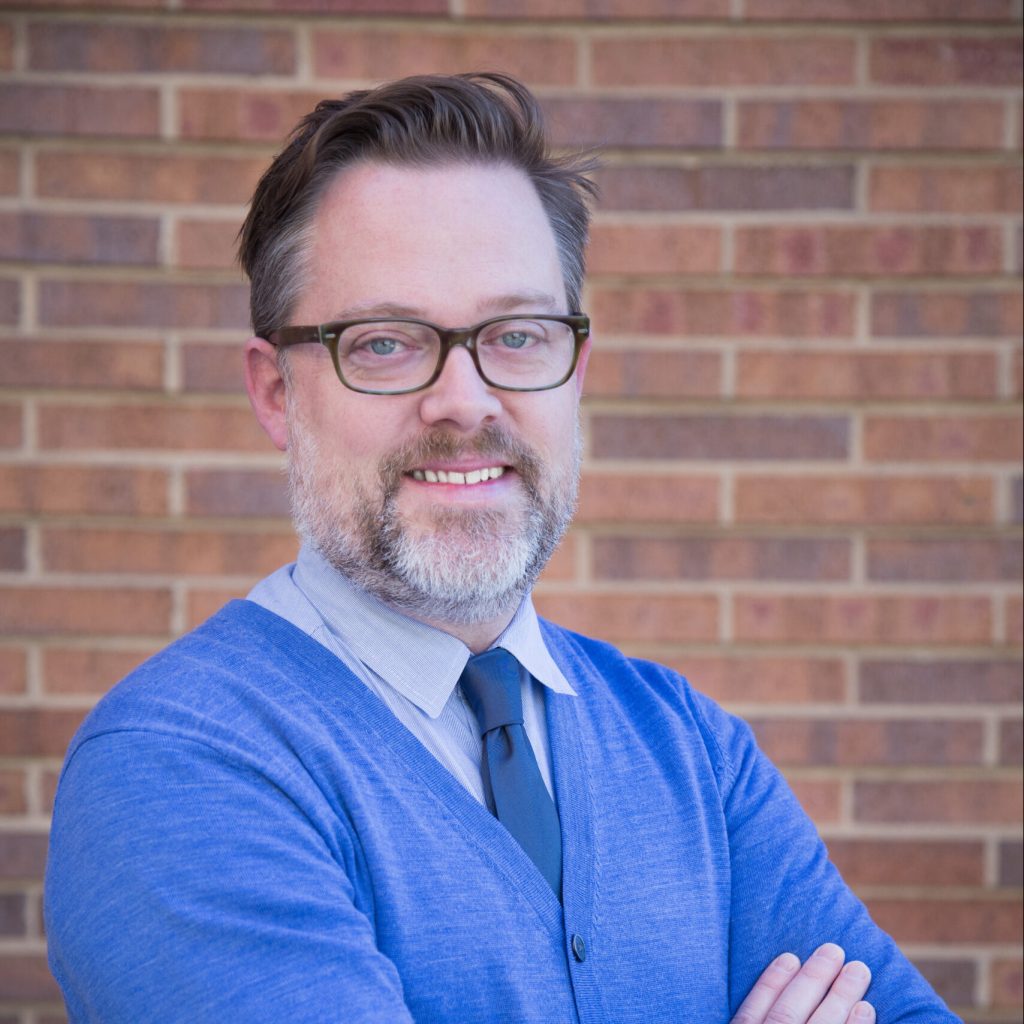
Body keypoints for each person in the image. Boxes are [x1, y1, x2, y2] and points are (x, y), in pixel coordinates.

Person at [44, 73, 959, 1024]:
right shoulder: (177, 766)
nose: (466, 401)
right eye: (386, 343)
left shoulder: (689, 748)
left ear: (575, 373)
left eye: (517, 335)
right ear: (278, 393)